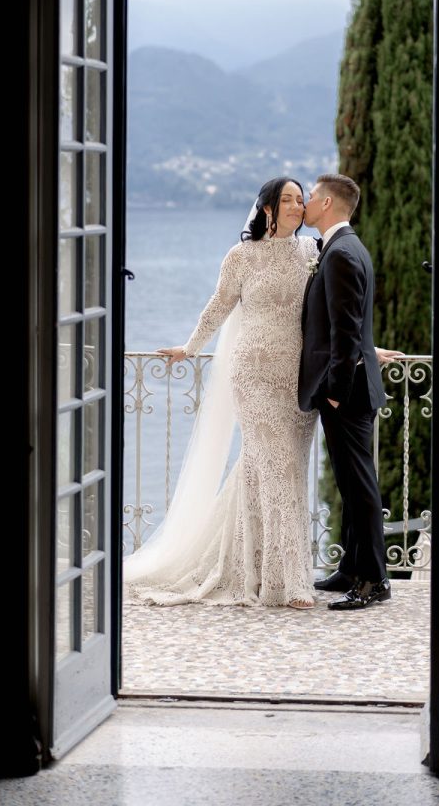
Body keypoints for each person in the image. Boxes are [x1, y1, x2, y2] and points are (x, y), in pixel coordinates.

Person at [124, 177, 320, 610]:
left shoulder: (311, 252)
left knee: (266, 470)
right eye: (287, 199)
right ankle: (286, 582)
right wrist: (190, 347)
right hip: (253, 373)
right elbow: (218, 306)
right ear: (267, 209)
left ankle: (243, 564)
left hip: (298, 378)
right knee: (278, 469)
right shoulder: (241, 256)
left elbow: (329, 313)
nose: (296, 205)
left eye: (300, 199)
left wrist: (368, 348)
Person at [298, 172, 395, 611]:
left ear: (328, 204)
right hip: (356, 385)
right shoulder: (344, 247)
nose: (307, 202)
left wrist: (334, 391)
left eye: (312, 196)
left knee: (359, 487)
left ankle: (374, 580)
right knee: (352, 483)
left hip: (348, 391)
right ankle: (352, 567)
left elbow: (345, 331)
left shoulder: (339, 253)